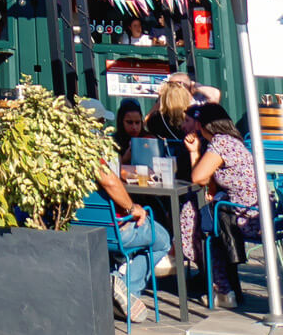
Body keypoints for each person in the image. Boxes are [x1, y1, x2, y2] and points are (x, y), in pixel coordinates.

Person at [178, 104, 262, 297]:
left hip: (245, 216)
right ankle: (220, 283)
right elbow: (208, 180)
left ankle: (220, 286)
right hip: (252, 210)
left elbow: (198, 177)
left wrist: (194, 152)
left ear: (201, 125)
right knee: (200, 215)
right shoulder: (232, 140)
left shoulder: (221, 143)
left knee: (191, 213)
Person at [93, 151, 172, 321]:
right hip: (117, 231)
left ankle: (122, 293)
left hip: (84, 232)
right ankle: (127, 288)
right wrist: (132, 208)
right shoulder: (88, 156)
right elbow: (109, 181)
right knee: (163, 241)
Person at [145, 77, 196, 180]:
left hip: (164, 168)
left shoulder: (156, 119)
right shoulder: (190, 119)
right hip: (189, 165)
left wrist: (159, 102)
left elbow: (145, 123)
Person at [114, 97, 146, 164]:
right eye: (129, 122)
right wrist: (125, 159)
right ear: (121, 122)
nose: (134, 127)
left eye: (137, 122)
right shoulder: (114, 142)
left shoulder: (148, 139)